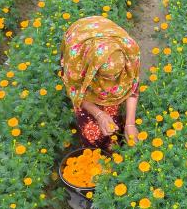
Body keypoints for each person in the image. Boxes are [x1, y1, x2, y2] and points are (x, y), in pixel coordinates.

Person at [60, 16, 141, 151]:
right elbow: (77, 92)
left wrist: (130, 124)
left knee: (114, 120)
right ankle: (97, 153)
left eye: (116, 77)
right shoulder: (76, 62)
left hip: (103, 35)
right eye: (105, 77)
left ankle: (115, 146)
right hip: (79, 38)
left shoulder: (130, 51)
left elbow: (133, 87)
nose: (109, 85)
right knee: (91, 131)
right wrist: (99, 114)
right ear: (92, 71)